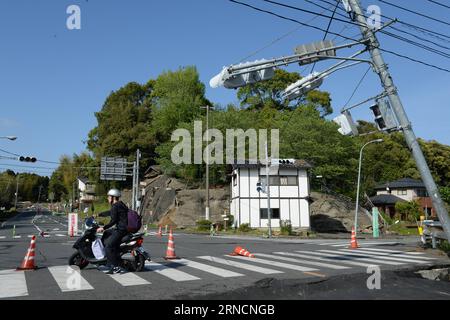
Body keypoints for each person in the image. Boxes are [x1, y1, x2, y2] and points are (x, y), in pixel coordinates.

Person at [96, 189, 129, 274]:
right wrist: (99, 214)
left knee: (108, 246)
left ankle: (115, 266)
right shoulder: (120, 204)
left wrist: (103, 227)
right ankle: (110, 260)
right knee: (107, 234)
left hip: (121, 230)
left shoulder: (116, 206)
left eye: (109, 196)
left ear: (113, 197)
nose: (107, 198)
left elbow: (113, 221)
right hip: (122, 228)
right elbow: (111, 212)